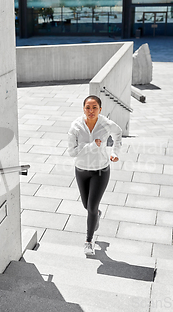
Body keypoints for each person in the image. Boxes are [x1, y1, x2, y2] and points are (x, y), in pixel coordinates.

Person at [67, 95, 122, 256]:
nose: (91, 111)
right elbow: (72, 152)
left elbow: (118, 134)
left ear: (100, 109)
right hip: (81, 170)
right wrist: (92, 146)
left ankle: (88, 241)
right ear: (83, 109)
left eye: (94, 107)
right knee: (88, 206)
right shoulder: (76, 127)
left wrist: (115, 152)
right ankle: (97, 214)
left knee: (91, 207)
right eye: (88, 108)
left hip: (101, 170)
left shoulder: (106, 124)